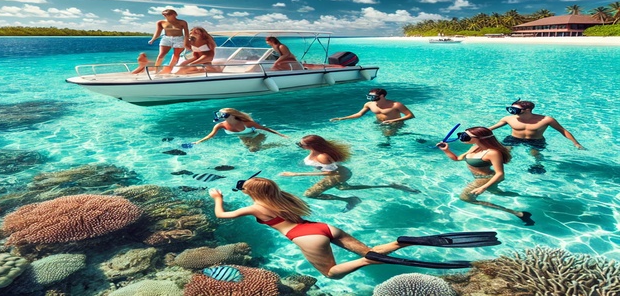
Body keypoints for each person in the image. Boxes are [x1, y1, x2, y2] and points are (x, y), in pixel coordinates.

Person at [209, 175, 500, 278]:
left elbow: (222, 216)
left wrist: (217, 198)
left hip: (304, 237)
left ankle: (368, 260)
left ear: (251, 192)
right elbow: (265, 190)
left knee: (333, 274)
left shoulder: (253, 206)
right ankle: (405, 241)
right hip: (324, 227)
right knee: (375, 250)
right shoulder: (285, 197)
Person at [279, 135, 419, 212]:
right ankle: (391, 186)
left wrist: (295, 174)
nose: (299, 146)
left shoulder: (322, 156)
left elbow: (329, 174)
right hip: (340, 174)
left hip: (338, 175)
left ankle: (350, 200)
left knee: (309, 194)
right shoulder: (314, 152)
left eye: (301, 144)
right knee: (344, 188)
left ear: (312, 146)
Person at [436, 126, 535, 226]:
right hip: (481, 178)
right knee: (497, 193)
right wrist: (446, 150)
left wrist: (483, 187)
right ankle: (530, 197)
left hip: (485, 179)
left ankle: (519, 214)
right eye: (461, 134)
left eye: (465, 136)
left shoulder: (493, 153)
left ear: (480, 138)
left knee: (465, 198)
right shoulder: (475, 147)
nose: (461, 137)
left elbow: (500, 174)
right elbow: (457, 158)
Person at [489, 99, 584, 173]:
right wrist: (476, 134)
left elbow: (562, 130)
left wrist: (576, 143)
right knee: (503, 153)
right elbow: (491, 128)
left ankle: (537, 165)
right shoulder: (508, 119)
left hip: (535, 140)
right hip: (514, 139)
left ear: (527, 110)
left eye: (515, 109)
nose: (512, 111)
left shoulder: (546, 120)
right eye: (511, 108)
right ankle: (498, 168)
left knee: (535, 154)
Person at [330, 88, 414, 138]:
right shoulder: (369, 104)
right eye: (369, 96)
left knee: (389, 136)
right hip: (379, 123)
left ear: (381, 96)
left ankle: (412, 136)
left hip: (395, 123)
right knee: (385, 135)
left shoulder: (396, 105)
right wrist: (341, 118)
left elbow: (410, 115)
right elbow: (359, 114)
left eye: (372, 96)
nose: (370, 98)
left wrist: (393, 121)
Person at [194, 108, 288, 152]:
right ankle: (276, 145)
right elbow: (211, 135)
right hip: (244, 138)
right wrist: (198, 142)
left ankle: (277, 144)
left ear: (233, 115)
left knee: (253, 149)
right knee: (249, 148)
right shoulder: (220, 125)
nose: (221, 117)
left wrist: (282, 135)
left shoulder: (246, 123)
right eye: (220, 114)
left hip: (257, 135)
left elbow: (265, 129)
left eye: (224, 115)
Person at [133, 9, 189, 74]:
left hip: (179, 39)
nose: (165, 16)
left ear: (174, 14)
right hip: (166, 39)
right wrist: (153, 39)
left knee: (176, 55)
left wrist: (186, 42)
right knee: (161, 55)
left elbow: (186, 33)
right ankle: (156, 71)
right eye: (164, 14)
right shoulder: (160, 22)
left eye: (167, 14)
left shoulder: (182, 22)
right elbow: (158, 32)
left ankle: (169, 70)